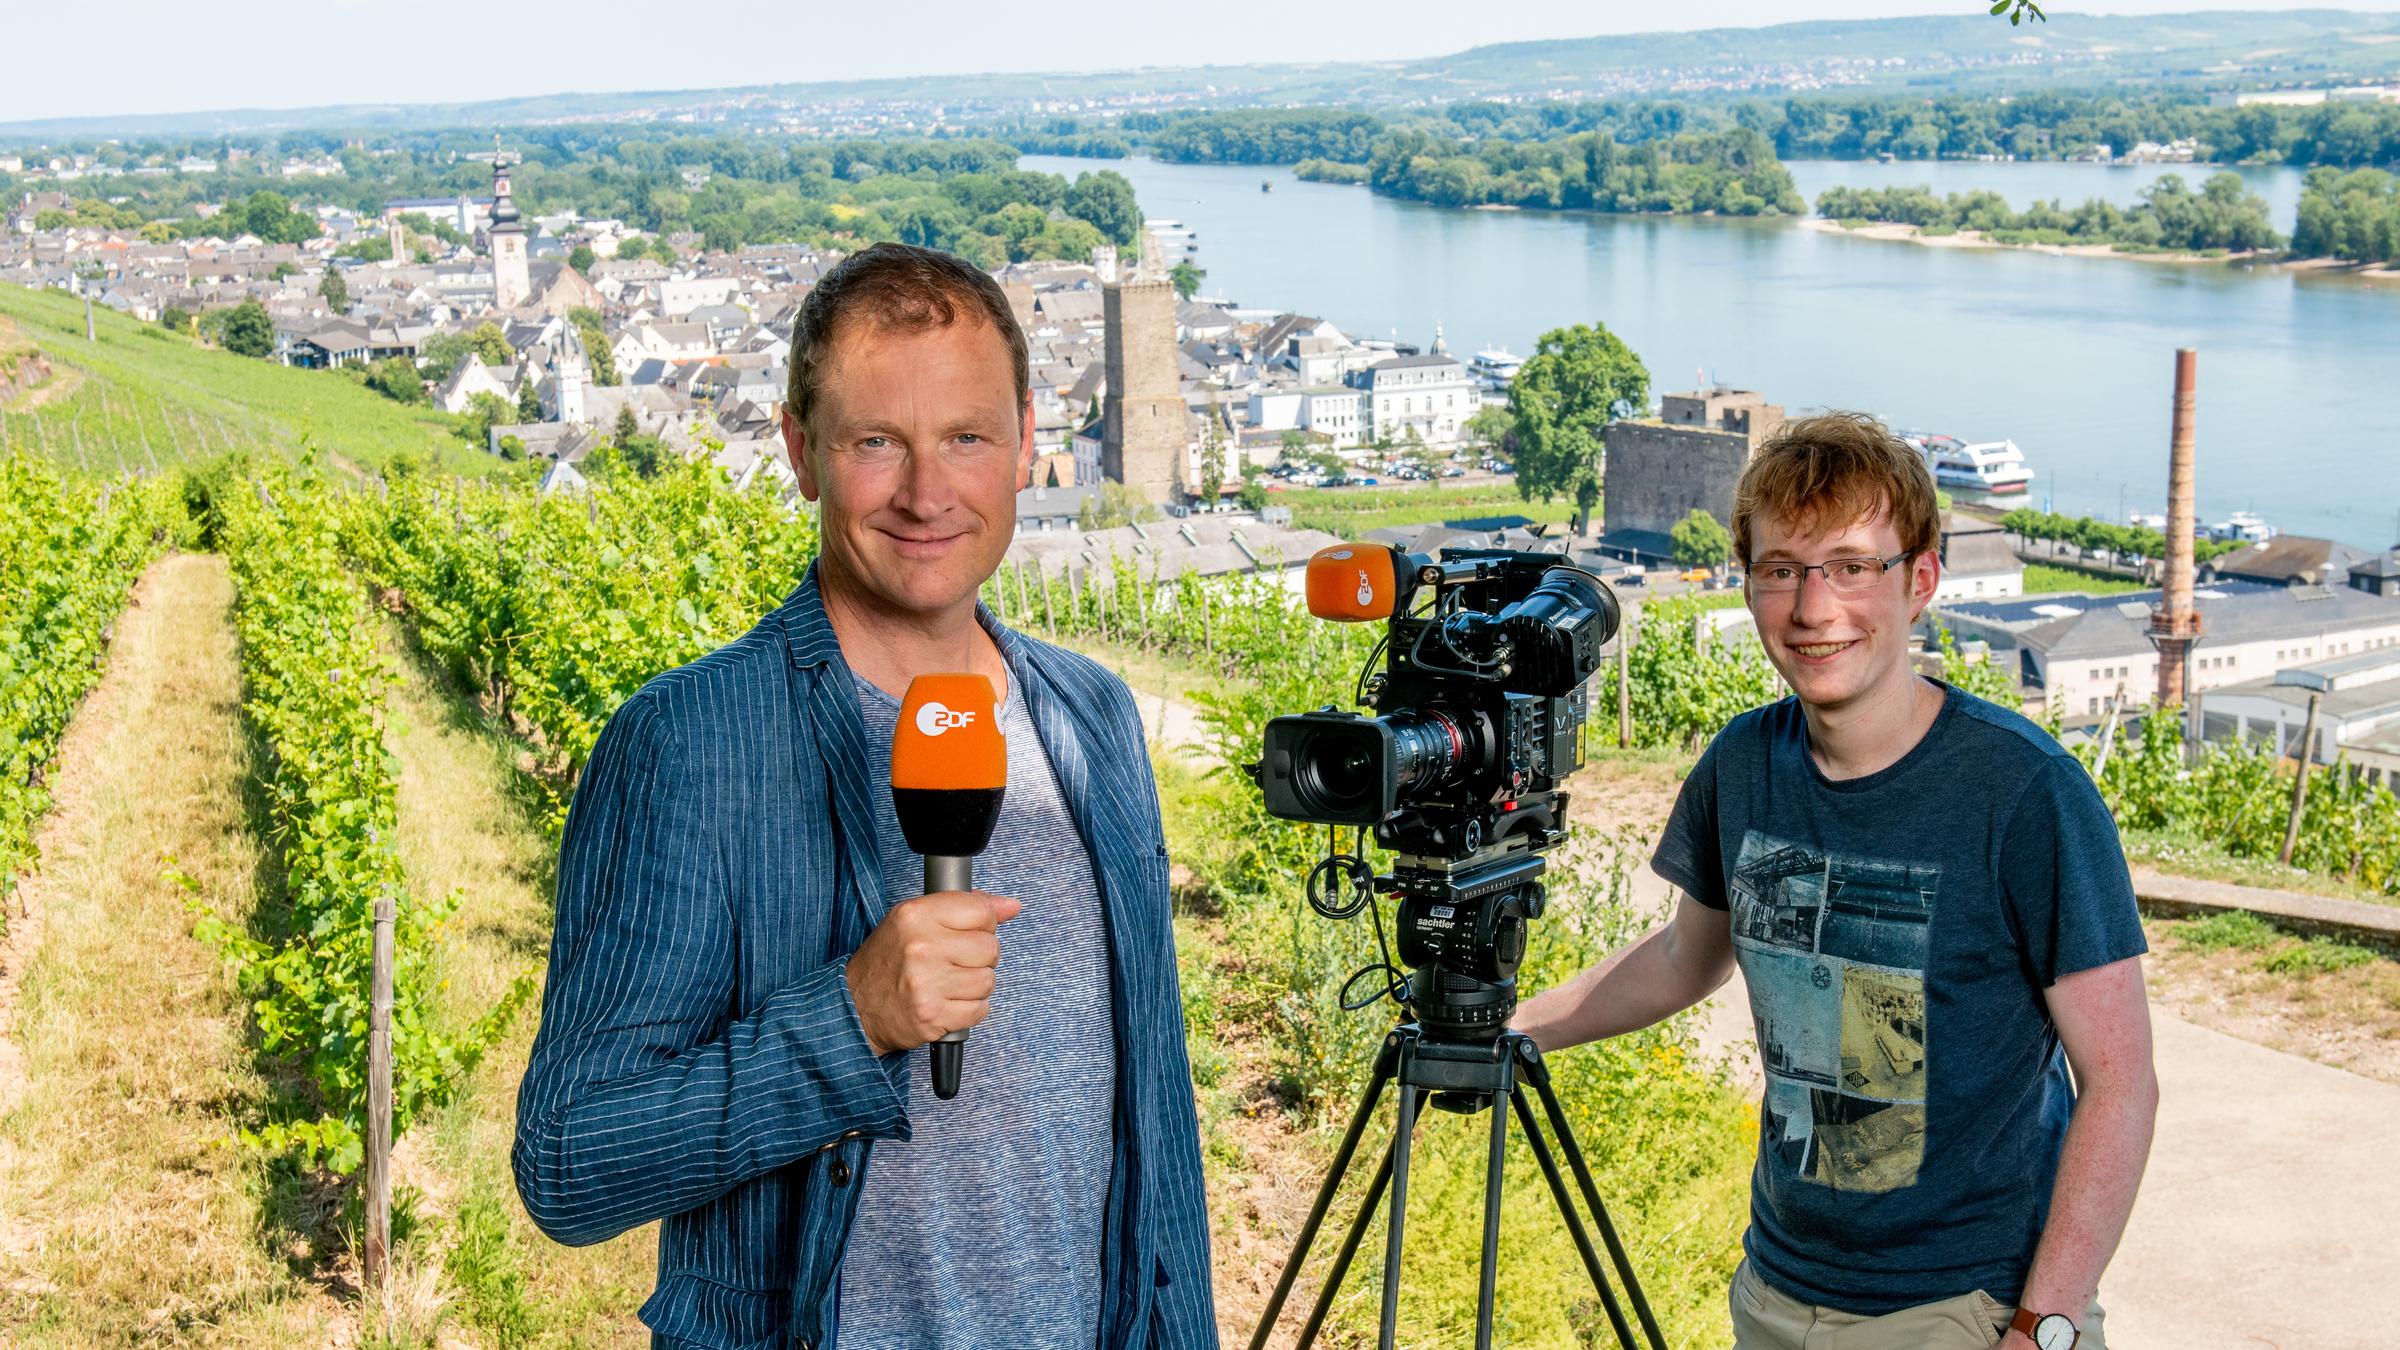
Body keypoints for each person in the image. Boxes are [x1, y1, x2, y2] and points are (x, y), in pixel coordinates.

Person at [513, 242, 1217, 1350]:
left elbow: (1158, 1142)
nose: (927, 493)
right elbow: (568, 1161)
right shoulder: (689, 744)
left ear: (1026, 442)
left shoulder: (1095, 718)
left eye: (968, 437)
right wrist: (849, 1020)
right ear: (802, 452)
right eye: (877, 441)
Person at [1513, 413, 2157, 1350]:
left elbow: (2121, 1081)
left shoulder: (2026, 793)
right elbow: (1686, 958)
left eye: (1852, 566)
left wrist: (2043, 1324)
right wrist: (1510, 1029)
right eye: (1782, 570)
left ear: (1920, 581)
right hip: (1778, 1294)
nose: (1815, 610)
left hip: (1968, 1311)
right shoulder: (1743, 764)